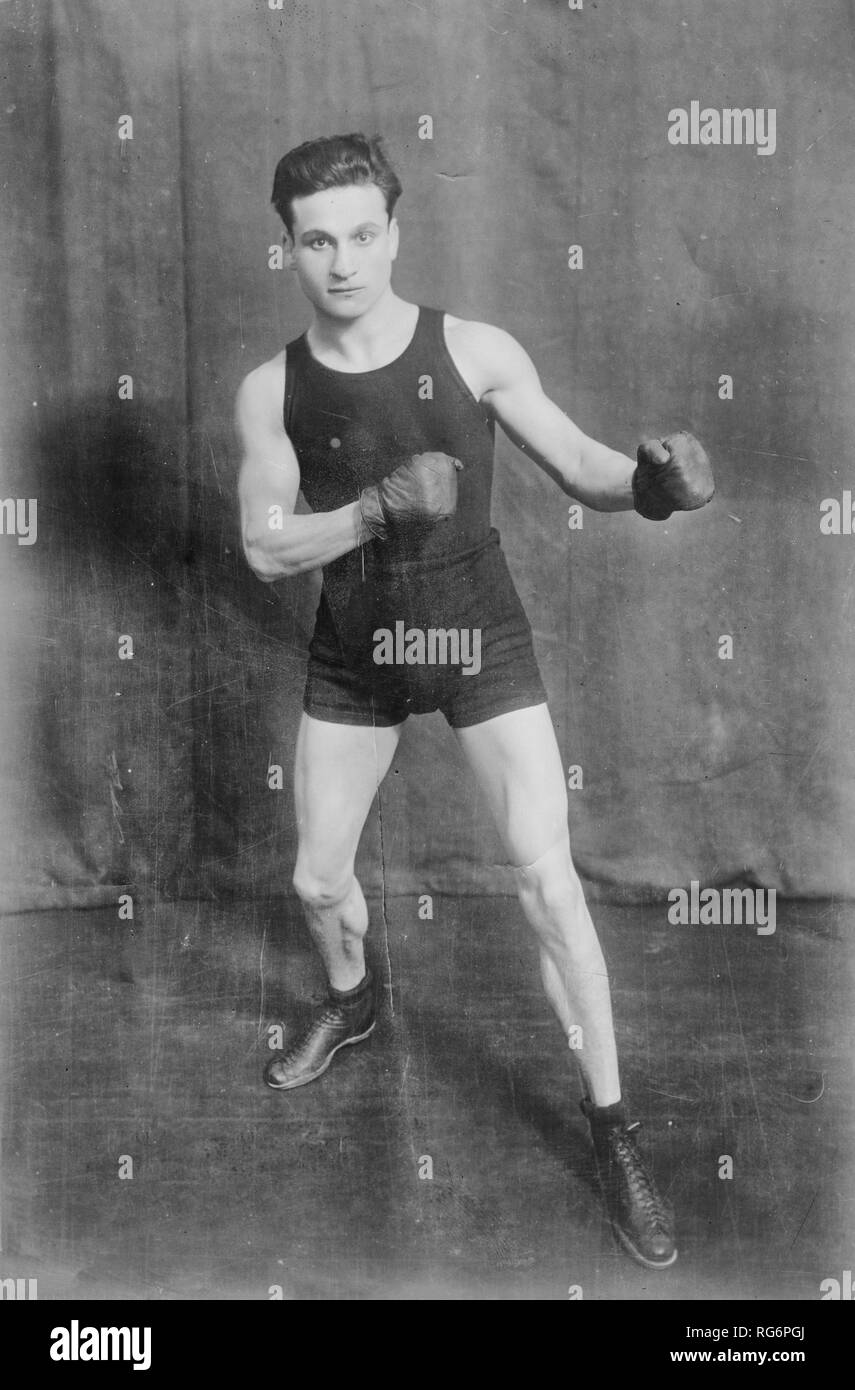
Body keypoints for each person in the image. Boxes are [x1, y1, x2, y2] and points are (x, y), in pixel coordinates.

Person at [236, 132, 714, 1271]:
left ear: (395, 233)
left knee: (549, 880)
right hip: (356, 648)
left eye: (363, 234)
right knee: (315, 879)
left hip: (475, 636)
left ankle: (613, 1128)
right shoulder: (272, 388)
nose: (343, 261)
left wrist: (649, 488)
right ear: (289, 249)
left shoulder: (477, 350)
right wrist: (368, 514)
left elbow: (586, 463)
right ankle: (352, 1001)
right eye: (317, 240)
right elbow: (260, 551)